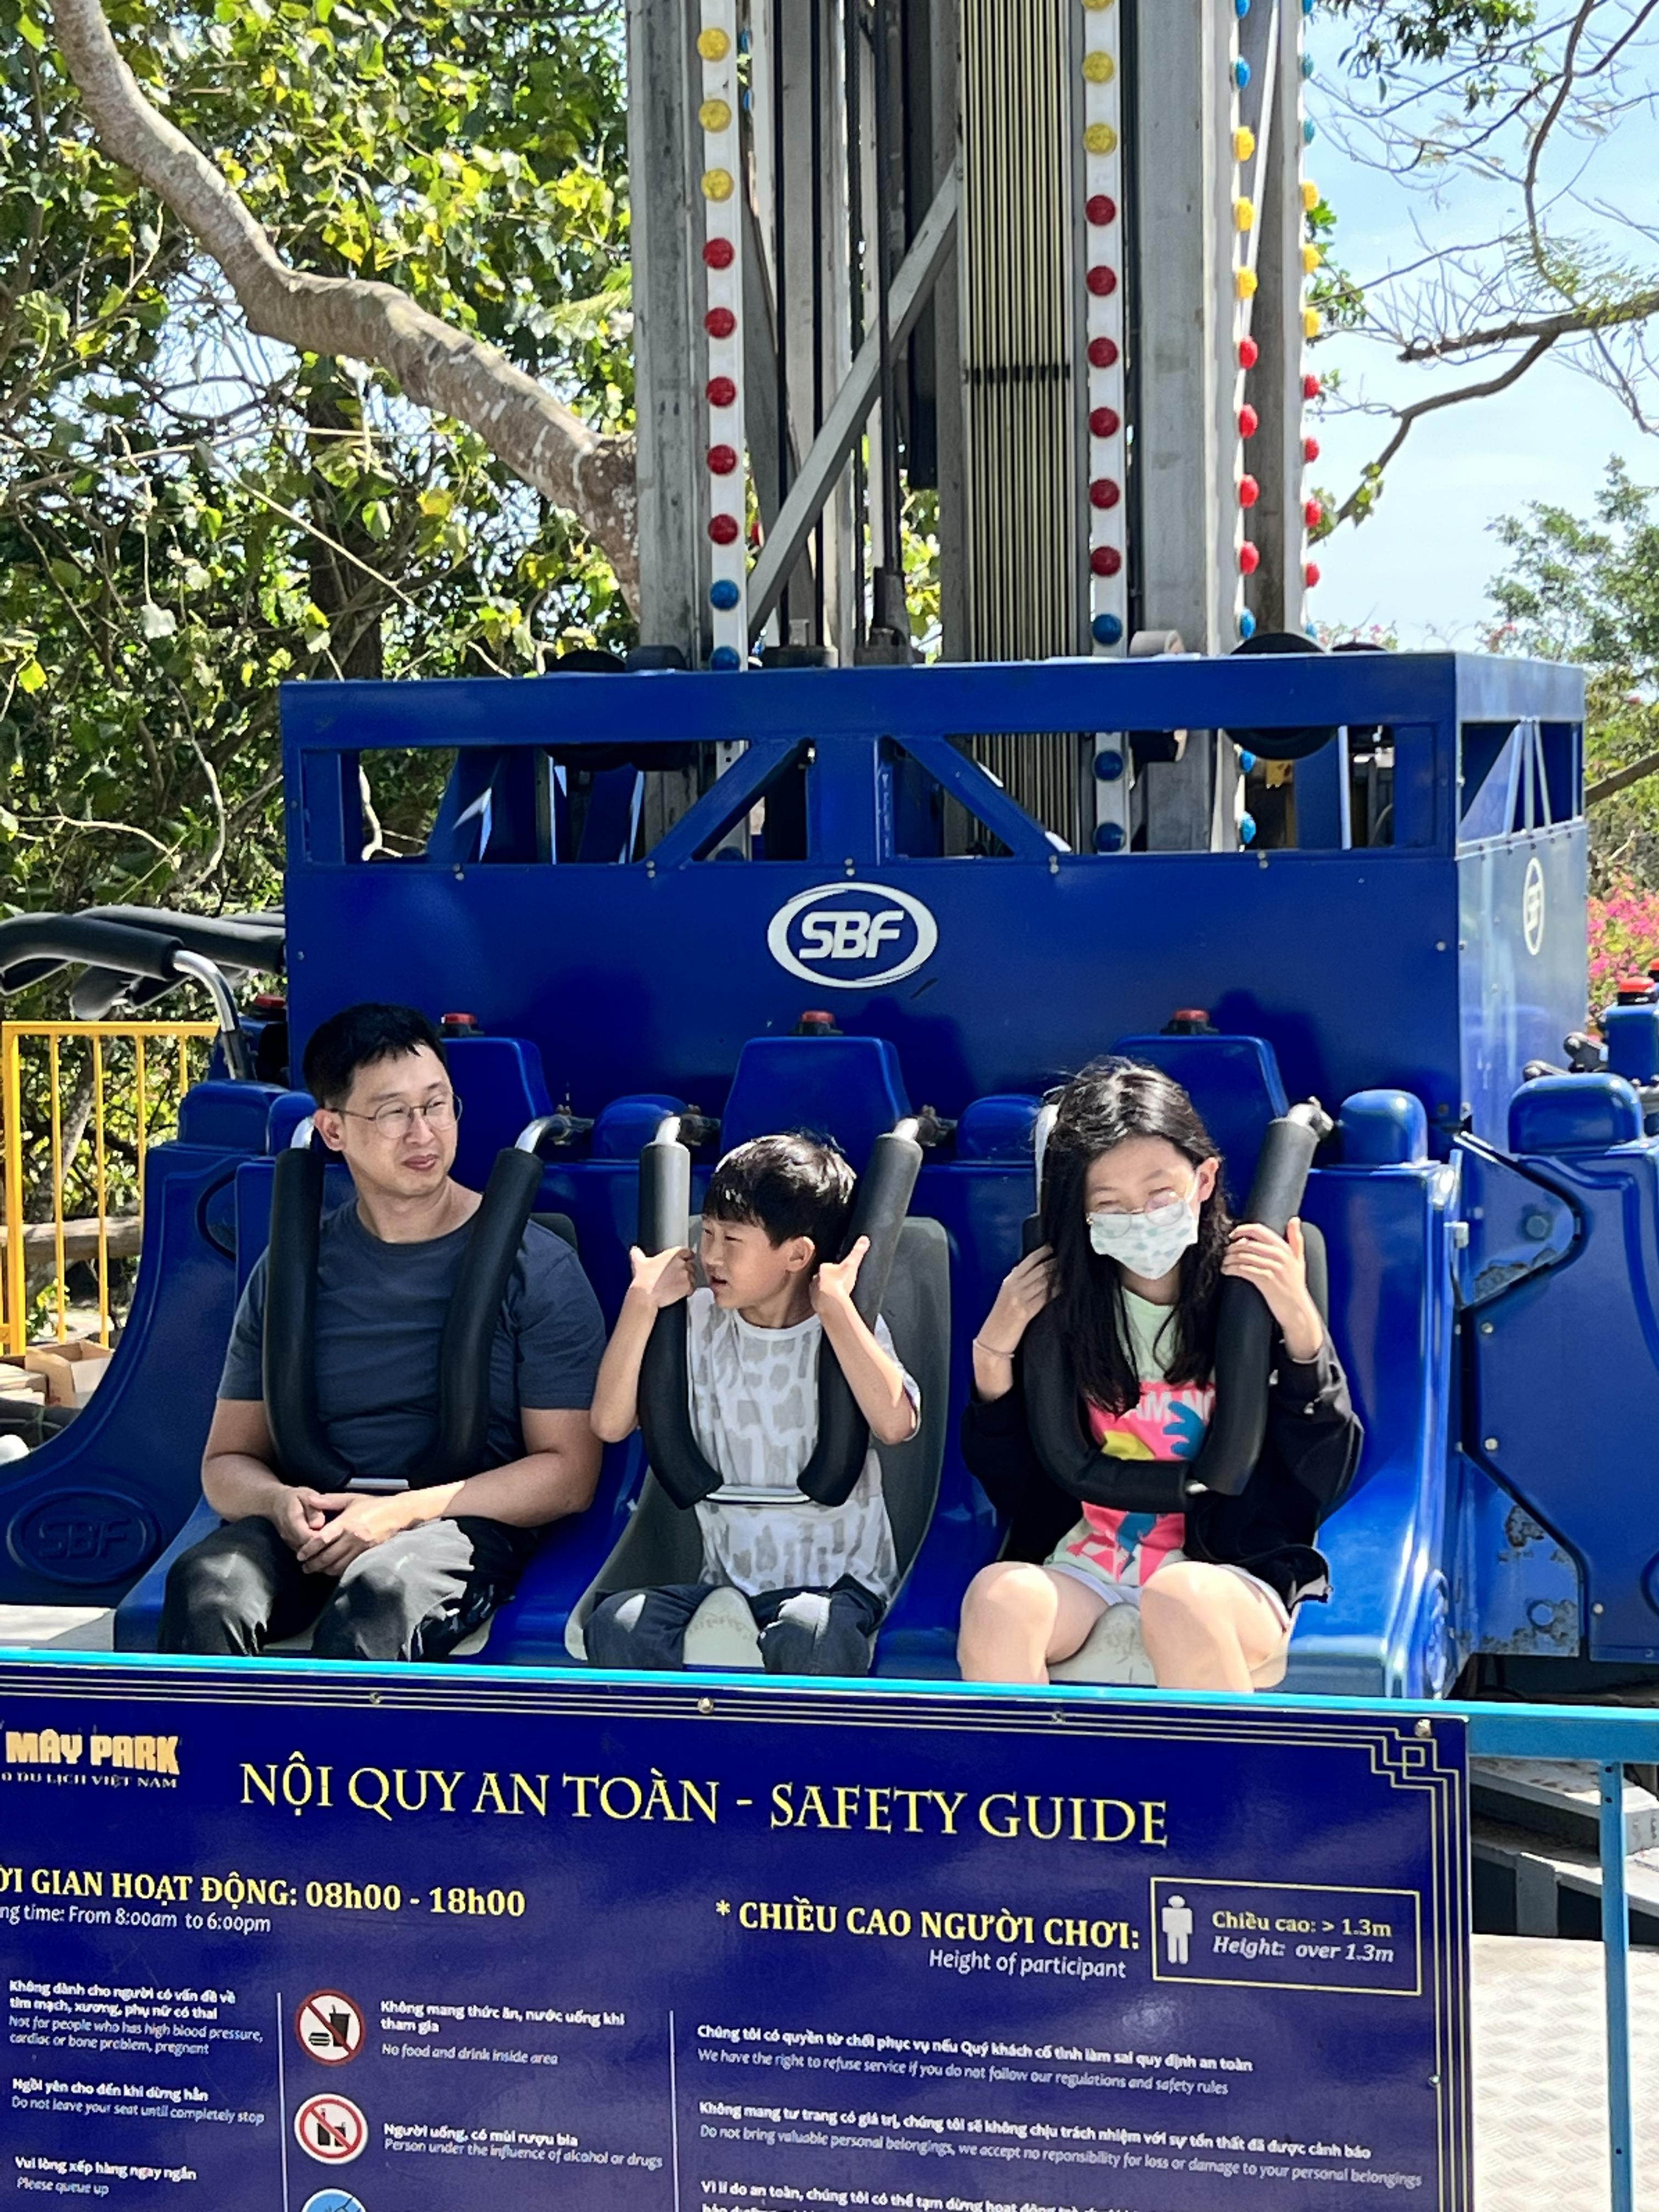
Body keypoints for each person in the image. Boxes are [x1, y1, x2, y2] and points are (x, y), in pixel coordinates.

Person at [160, 1003, 606, 1661]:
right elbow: (226, 1462)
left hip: (458, 1525)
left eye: (438, 1105)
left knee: (379, 1594)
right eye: (394, 1113)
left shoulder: (537, 1267)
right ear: (333, 1129)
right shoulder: (288, 1272)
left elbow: (568, 1474)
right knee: (209, 1587)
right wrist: (279, 1502)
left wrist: (397, 1514)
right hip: (314, 1523)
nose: (423, 1133)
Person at [957, 1059, 1361, 1691]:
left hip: (1228, 1568)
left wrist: (1303, 1330)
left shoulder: (1251, 1295)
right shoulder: (1064, 1307)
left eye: (1159, 1194)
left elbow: (1323, 1473)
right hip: (1092, 1565)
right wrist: (993, 1356)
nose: (1140, 1218)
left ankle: (1221, 1762)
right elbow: (1020, 1487)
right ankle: (1023, 1760)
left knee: (1180, 1597)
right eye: (1111, 1204)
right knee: (998, 1598)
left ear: (1204, 1179)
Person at [584, 1133, 919, 1675]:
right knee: (618, 1623)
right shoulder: (694, 1321)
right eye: (707, 1233)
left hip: (840, 1587)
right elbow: (609, 1422)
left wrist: (838, 1310)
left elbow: (895, 1423)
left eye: (732, 1240)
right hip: (728, 1586)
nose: (711, 1255)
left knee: (810, 1632)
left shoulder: (846, 1326)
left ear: (797, 1255)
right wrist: (641, 1304)